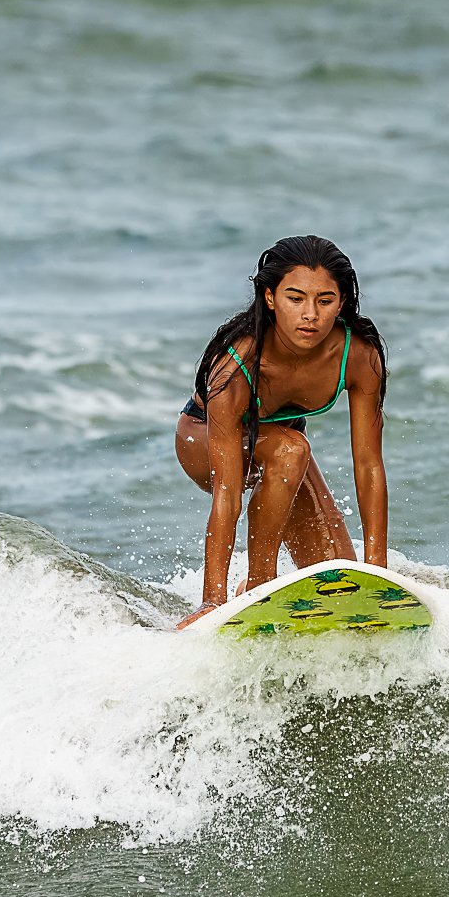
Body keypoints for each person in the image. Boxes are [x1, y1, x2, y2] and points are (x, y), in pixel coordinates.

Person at [174, 235, 389, 630]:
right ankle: (258, 585)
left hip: (284, 453)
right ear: (270, 298)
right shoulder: (237, 361)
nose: (310, 314)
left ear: (341, 303)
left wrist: (380, 572)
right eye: (296, 299)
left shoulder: (358, 355)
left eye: (325, 301)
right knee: (290, 449)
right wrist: (211, 602)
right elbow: (226, 494)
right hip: (205, 439)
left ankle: (251, 591)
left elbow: (369, 464)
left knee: (337, 581)